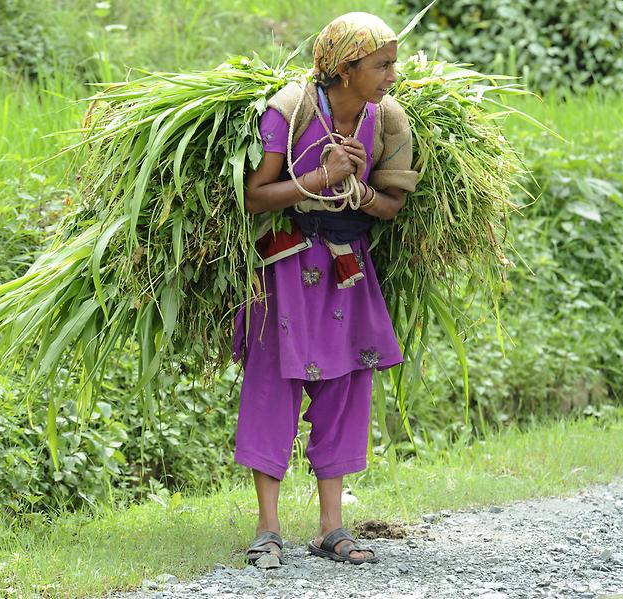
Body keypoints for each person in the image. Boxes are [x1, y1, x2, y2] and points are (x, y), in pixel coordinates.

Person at [232, 11, 418, 567]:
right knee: (273, 384)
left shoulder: (388, 122)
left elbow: (391, 205)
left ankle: (332, 528)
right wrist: (320, 178)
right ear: (345, 68)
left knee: (345, 387)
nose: (391, 74)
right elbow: (254, 196)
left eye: (391, 63)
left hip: (347, 272)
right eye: (382, 65)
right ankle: (268, 528)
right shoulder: (290, 112)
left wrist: (357, 189)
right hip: (285, 267)